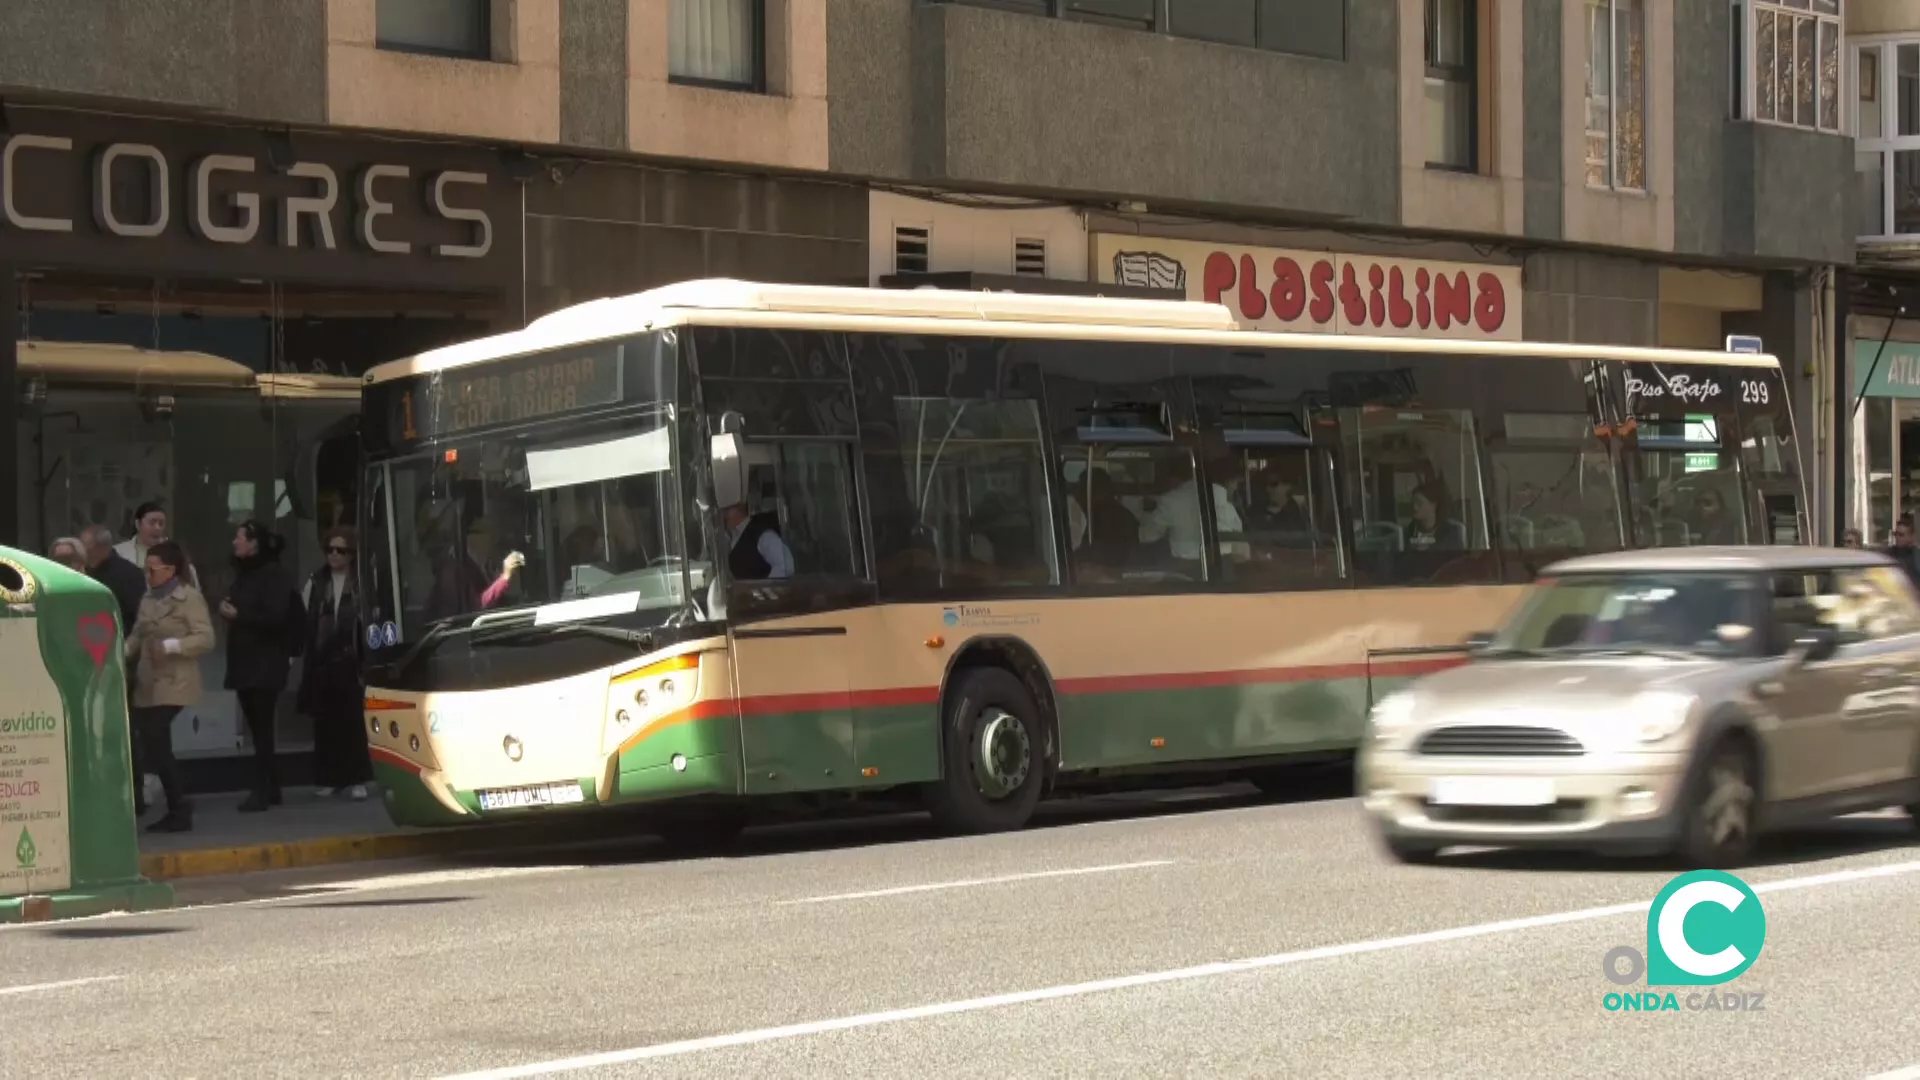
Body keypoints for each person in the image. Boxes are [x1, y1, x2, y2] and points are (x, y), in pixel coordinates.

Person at [125, 540, 214, 832]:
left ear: (170, 570)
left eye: (152, 569)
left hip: (176, 681)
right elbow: (137, 635)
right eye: (145, 569)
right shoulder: (149, 598)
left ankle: (179, 805)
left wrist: (173, 645)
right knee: (153, 741)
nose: (147, 575)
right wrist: (117, 654)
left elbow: (206, 638)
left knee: (155, 735)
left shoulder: (188, 598)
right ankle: (179, 804)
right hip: (149, 680)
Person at [219, 520, 300, 813]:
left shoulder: (273, 575)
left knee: (262, 728)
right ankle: (272, 784)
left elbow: (276, 617)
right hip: (245, 661)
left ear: (254, 543)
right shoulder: (244, 574)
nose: (235, 542)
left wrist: (239, 615)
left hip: (265, 662)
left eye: (240, 538)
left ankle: (262, 789)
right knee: (257, 726)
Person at [81, 524, 150, 814]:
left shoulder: (126, 576)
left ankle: (133, 797)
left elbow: (136, 620)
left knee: (122, 730)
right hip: (94, 661)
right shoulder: (88, 573)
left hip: (119, 661)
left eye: (86, 548)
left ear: (100, 547)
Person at [299, 526, 372, 800]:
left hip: (352, 660)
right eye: (330, 549)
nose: (334, 555)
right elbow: (306, 615)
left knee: (353, 722)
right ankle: (329, 778)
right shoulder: (317, 581)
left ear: (351, 554)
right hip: (323, 660)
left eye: (341, 550)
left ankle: (356, 778)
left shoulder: (361, 581)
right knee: (326, 723)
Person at [114, 502, 200, 588]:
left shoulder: (175, 552)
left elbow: (191, 582)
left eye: (161, 524)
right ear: (138, 524)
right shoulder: (118, 552)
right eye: (152, 523)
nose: (157, 528)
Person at [722, 499, 793, 580]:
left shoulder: (761, 534)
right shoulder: (731, 537)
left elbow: (786, 565)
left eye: (725, 512)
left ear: (734, 512)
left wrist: (765, 588)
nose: (722, 516)